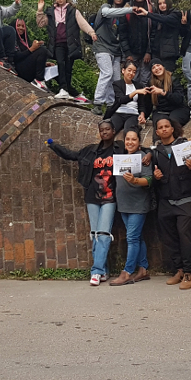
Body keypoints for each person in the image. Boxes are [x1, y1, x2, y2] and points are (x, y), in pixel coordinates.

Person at [47, 120, 121, 286]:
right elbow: (71, 155)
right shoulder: (90, 151)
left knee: (103, 233)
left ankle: (95, 271)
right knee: (95, 234)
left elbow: (135, 153)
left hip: (110, 197)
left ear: (114, 130)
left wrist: (149, 154)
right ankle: (103, 270)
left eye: (108, 129)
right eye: (102, 130)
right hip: (92, 197)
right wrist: (53, 145)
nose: (105, 132)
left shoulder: (120, 148)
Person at [152, 117, 191, 290]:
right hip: (166, 200)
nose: (164, 129)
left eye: (167, 126)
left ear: (173, 129)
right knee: (169, 237)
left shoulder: (184, 146)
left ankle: (189, 273)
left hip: (184, 199)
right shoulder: (156, 152)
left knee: (184, 235)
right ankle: (179, 270)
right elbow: (154, 176)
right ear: (157, 132)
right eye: (160, 127)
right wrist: (156, 178)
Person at [109, 128, 154, 286]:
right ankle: (143, 269)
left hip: (138, 204)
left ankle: (127, 272)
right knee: (137, 237)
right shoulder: (122, 158)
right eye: (127, 139)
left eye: (134, 139)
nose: (130, 142)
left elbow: (149, 180)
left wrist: (135, 181)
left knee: (132, 238)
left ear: (139, 142)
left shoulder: (142, 158)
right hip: (124, 205)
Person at [36, 0, 97, 102]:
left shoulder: (73, 11)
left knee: (68, 68)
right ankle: (63, 89)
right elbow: (40, 24)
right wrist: (40, 10)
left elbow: (82, 23)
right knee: (60, 63)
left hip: (71, 44)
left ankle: (68, 90)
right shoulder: (51, 11)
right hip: (57, 43)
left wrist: (91, 32)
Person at [91, 0, 134, 116]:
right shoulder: (106, 7)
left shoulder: (123, 16)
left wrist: (126, 54)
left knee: (116, 78)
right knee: (107, 73)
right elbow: (108, 13)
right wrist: (130, 9)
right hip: (102, 46)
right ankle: (98, 103)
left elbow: (123, 35)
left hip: (116, 49)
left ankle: (111, 104)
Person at [134, 0, 183, 73]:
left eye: (164, 3)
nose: (162, 5)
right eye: (160, 4)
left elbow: (165, 19)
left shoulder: (175, 14)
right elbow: (152, 35)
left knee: (168, 79)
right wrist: (149, 51)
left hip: (169, 55)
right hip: (156, 54)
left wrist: (147, 14)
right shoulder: (156, 16)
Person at [141, 58, 189, 130]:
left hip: (178, 108)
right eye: (153, 68)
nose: (157, 68)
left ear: (163, 66)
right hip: (161, 111)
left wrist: (163, 92)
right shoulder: (151, 83)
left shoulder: (173, 79)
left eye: (158, 65)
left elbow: (179, 99)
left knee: (171, 122)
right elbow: (147, 103)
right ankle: (157, 141)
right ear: (152, 72)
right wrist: (143, 114)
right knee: (160, 124)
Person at [103, 60, 147, 138]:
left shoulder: (139, 86)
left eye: (134, 72)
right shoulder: (117, 84)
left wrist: (142, 115)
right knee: (109, 132)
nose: (131, 73)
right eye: (129, 70)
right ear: (123, 70)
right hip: (119, 112)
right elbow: (121, 99)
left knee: (129, 133)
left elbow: (142, 104)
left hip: (133, 114)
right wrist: (135, 92)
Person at [13, 17, 50, 91]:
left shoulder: (25, 40)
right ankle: (39, 80)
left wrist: (44, 63)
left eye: (23, 26)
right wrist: (32, 49)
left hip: (27, 69)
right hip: (17, 68)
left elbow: (29, 57)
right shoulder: (13, 39)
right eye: (18, 25)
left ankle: (66, 90)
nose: (21, 28)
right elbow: (15, 57)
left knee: (43, 50)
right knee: (42, 50)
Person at [126, 0, 153, 84]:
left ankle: (144, 99)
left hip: (146, 52)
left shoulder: (150, 10)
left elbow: (153, 33)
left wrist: (148, 52)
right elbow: (123, 33)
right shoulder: (127, 10)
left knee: (145, 78)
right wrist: (127, 53)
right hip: (132, 51)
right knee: (132, 77)